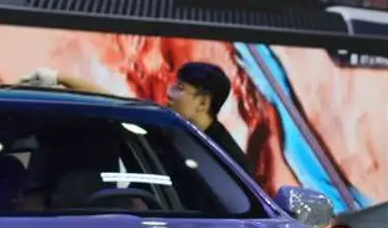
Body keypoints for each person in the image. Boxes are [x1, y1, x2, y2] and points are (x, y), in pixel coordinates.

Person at [24, 62, 252, 174]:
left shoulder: (226, 160)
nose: (169, 94)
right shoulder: (168, 128)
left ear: (203, 103)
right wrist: (58, 78)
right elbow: (116, 103)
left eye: (179, 89)